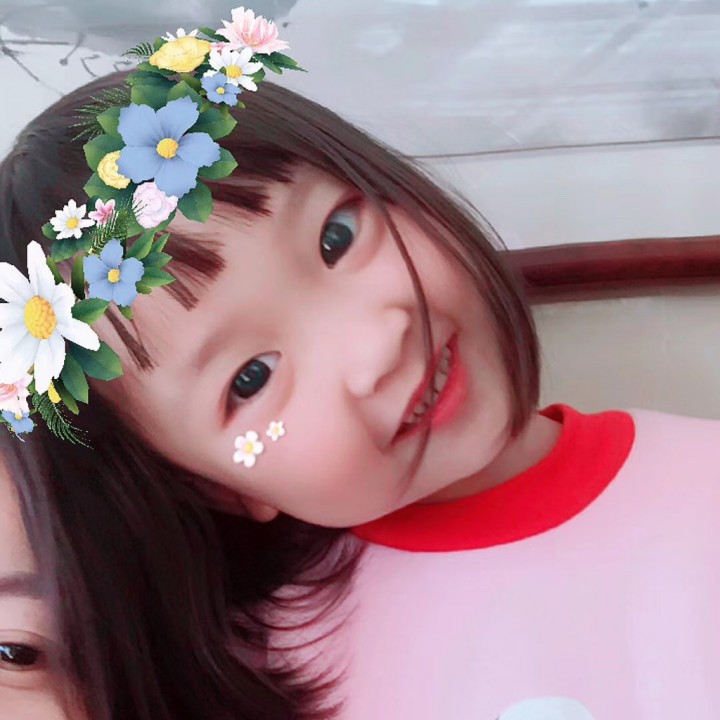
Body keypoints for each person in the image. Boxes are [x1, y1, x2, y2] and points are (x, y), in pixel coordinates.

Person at [2, 48, 720, 720]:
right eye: (251, 378)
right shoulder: (247, 673)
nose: (373, 347)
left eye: (336, 238)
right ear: (218, 488)